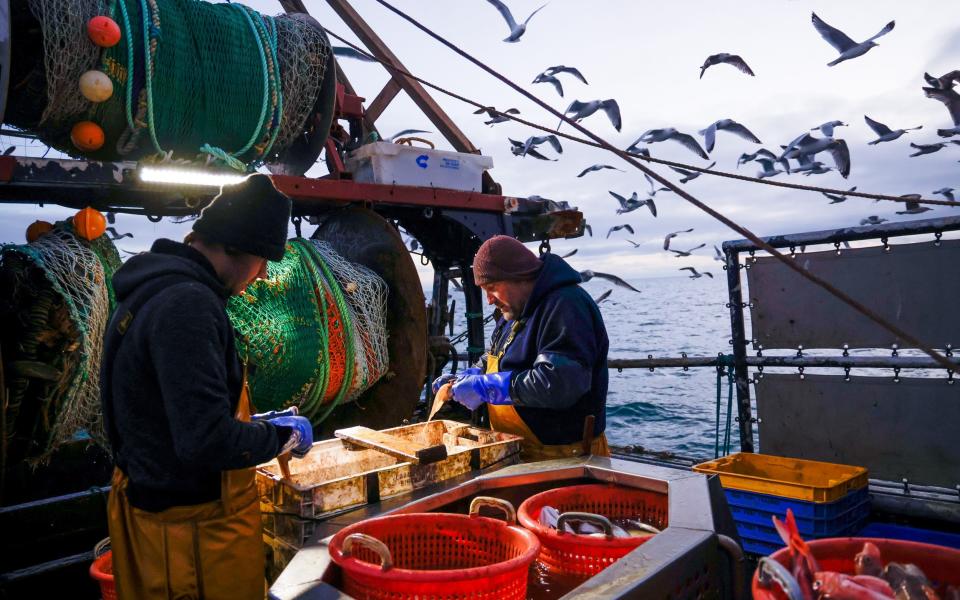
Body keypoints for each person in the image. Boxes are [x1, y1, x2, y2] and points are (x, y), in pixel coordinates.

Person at [100, 174, 314, 599]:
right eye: (262, 259)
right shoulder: (189, 306)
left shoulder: (151, 290)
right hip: (189, 544)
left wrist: (254, 423)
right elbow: (205, 441)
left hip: (157, 521)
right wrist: (280, 436)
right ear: (236, 247)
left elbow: (171, 412)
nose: (263, 273)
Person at [434, 235, 610, 460]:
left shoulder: (566, 305)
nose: (489, 300)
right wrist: (471, 375)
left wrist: (485, 388)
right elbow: (495, 355)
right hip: (519, 451)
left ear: (518, 276)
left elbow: (558, 383)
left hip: (567, 457)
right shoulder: (513, 311)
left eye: (492, 287)